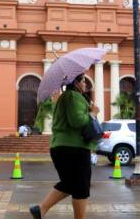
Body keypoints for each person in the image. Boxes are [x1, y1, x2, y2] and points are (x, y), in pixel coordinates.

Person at [29, 73, 99, 219]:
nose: (85, 84)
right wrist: (92, 113)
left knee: (70, 183)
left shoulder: (68, 97)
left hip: (63, 147)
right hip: (73, 148)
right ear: (77, 83)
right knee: (81, 186)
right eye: (83, 81)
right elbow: (77, 121)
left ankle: (40, 210)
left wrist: (90, 109)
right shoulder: (73, 96)